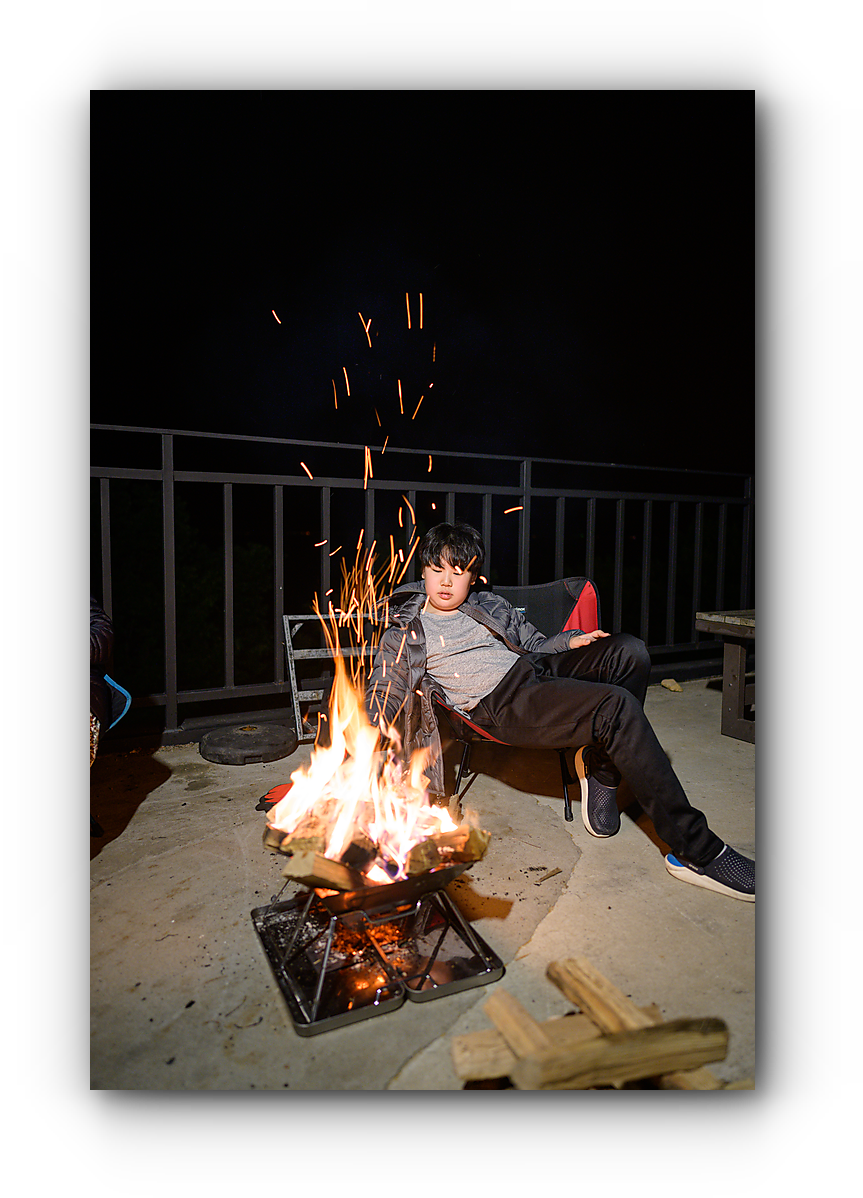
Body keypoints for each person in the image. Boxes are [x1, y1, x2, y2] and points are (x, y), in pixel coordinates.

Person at [365, 522, 755, 901]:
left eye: (458, 572)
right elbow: (385, 687)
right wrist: (365, 729)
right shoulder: (406, 630)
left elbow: (533, 642)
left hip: (532, 668)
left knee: (630, 652)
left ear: (473, 576)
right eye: (437, 570)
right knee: (615, 707)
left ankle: (601, 768)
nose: (447, 582)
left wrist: (570, 641)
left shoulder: (487, 604)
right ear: (423, 571)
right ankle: (696, 851)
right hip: (498, 703)